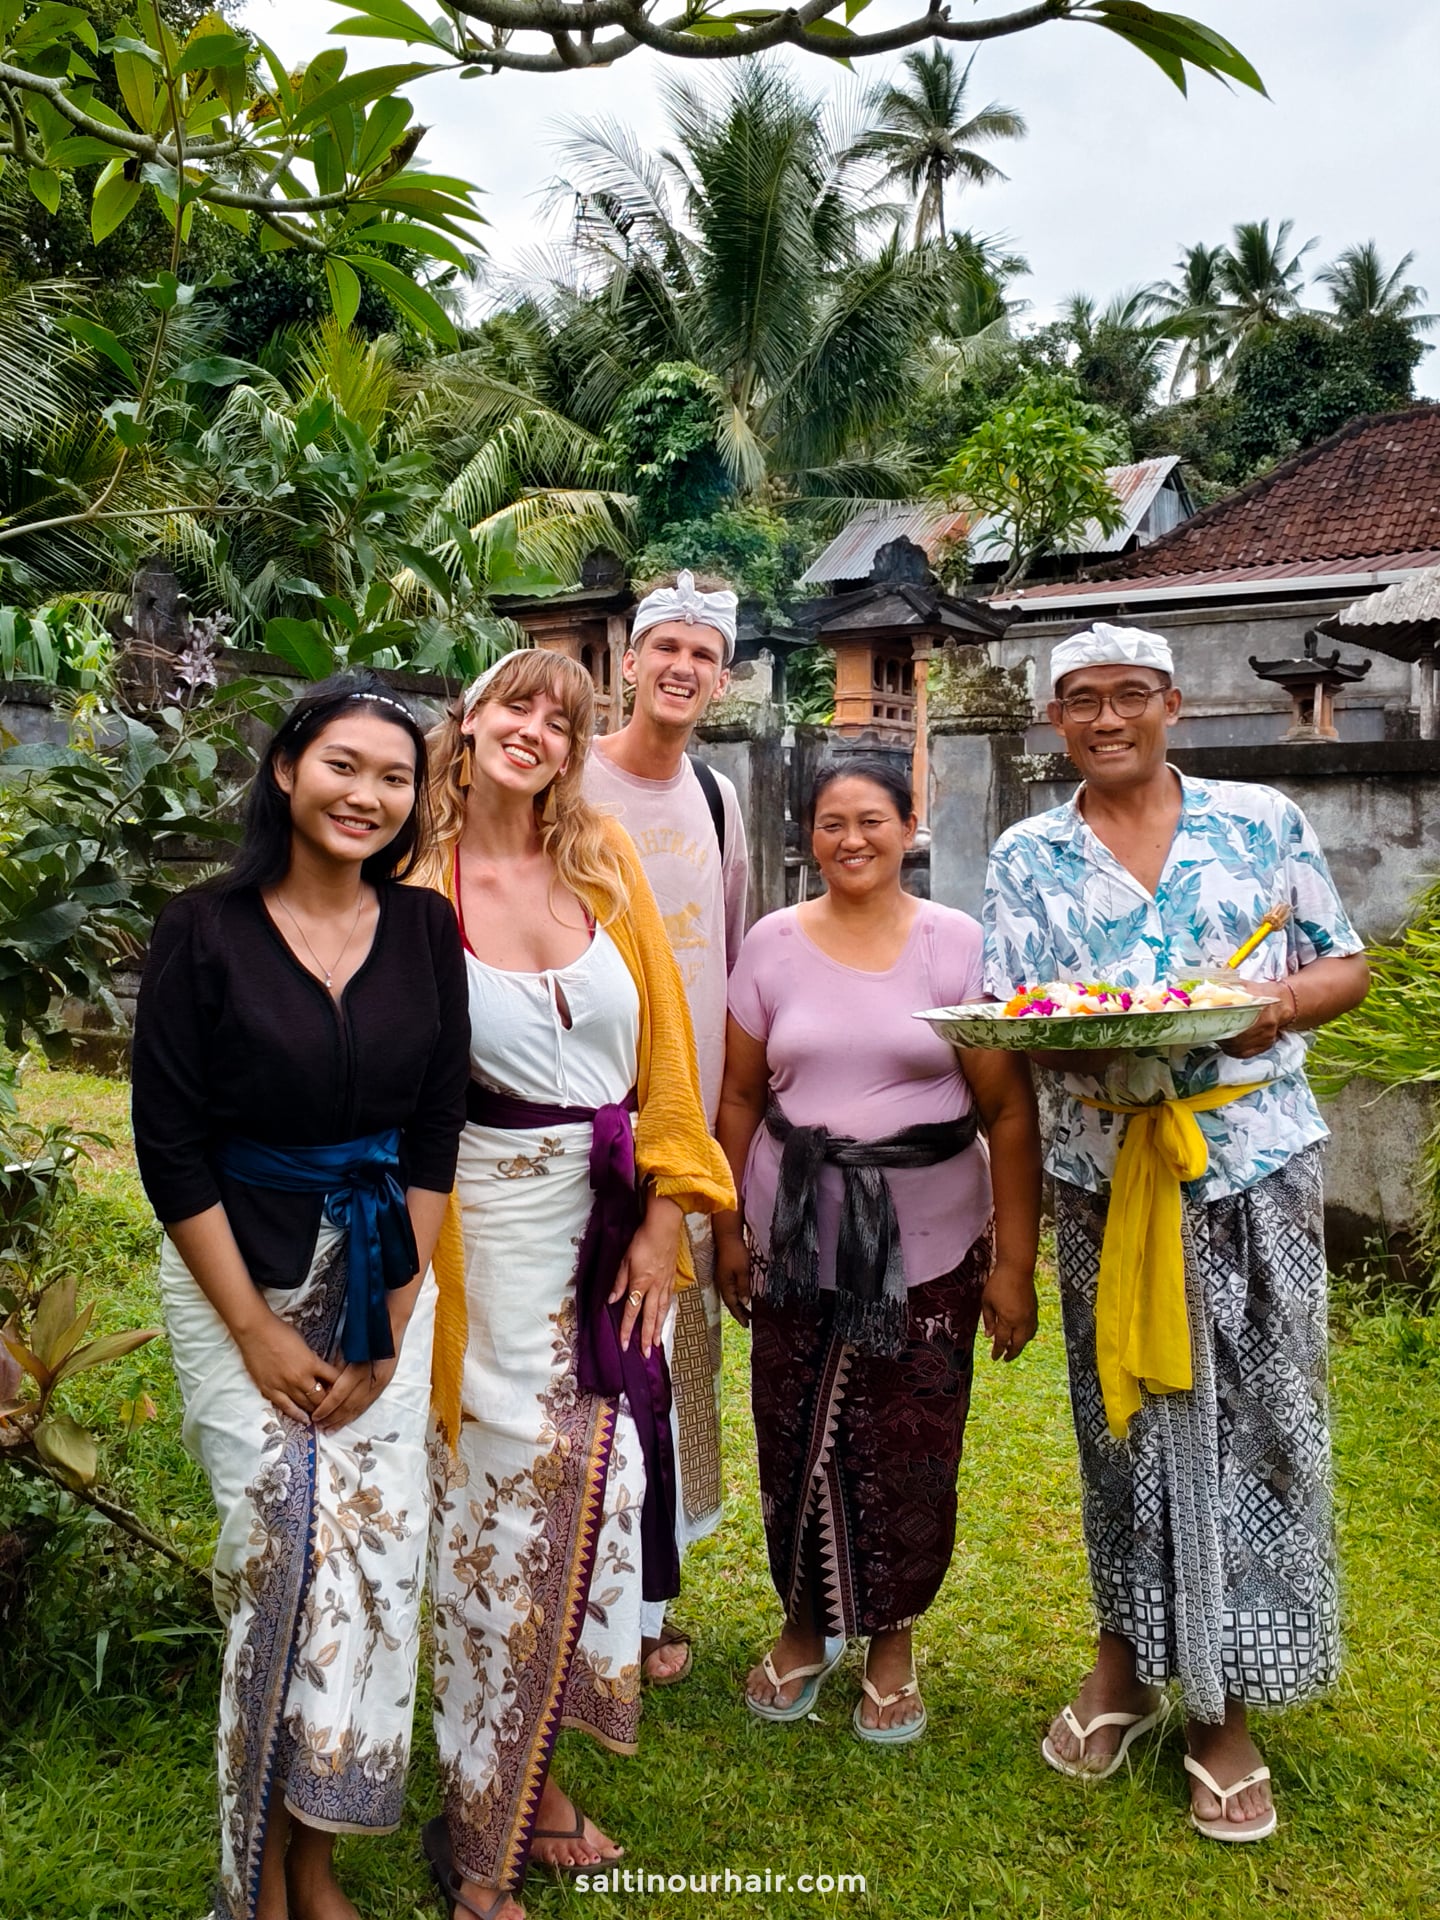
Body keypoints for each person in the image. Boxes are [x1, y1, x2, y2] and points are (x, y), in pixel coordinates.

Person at [983, 622, 1370, 1842]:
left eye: (1132, 697)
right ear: (1057, 722)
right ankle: (1125, 1661)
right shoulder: (1027, 856)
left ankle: (1228, 1704)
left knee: (1262, 1419)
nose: (1109, 720)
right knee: (1124, 1421)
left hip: (1251, 1162)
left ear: (1175, 704)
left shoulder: (1258, 821)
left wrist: (1274, 1004)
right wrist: (1080, 1035)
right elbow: (1014, 1015)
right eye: (1084, 702)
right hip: (1108, 1179)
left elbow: (1342, 966)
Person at [130, 672, 469, 1920]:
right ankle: (251, 1877)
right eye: (344, 766)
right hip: (238, 1275)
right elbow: (168, 1146)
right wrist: (260, 1328)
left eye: (395, 777)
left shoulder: (427, 931)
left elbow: (438, 1123)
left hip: (385, 1269)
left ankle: (314, 1858)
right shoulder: (203, 929)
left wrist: (390, 1314)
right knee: (276, 1562)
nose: (368, 795)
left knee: (372, 1572)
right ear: (287, 770)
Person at [416, 647, 734, 1920]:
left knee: (602, 1504)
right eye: (515, 703)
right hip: (473, 1241)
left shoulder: (602, 866)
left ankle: (532, 1778)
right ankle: (476, 1818)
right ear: (472, 717)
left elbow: (664, 1055)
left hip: (606, 1237)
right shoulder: (412, 882)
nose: (535, 729)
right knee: (493, 1518)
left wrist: (665, 1220)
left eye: (562, 718)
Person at [714, 758, 1042, 1745]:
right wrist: (727, 1224)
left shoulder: (955, 945)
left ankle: (893, 1639)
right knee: (795, 1429)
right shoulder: (772, 944)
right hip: (795, 1229)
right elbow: (737, 1097)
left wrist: (1016, 1262)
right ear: (807, 836)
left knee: (911, 1441)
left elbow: (1007, 1109)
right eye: (828, 824)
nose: (850, 840)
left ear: (909, 825)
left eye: (871, 820)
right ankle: (806, 1624)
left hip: (932, 1240)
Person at [584, 569, 750, 1686]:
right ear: (629, 662)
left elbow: (725, 968)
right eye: (666, 648)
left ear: (722, 676)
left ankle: (648, 1604)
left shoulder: (724, 800)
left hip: (684, 1132)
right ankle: (574, 1589)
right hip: (584, 1116)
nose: (682, 668)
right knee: (584, 1354)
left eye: (704, 652)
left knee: (670, 1361)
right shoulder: (570, 784)